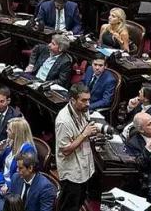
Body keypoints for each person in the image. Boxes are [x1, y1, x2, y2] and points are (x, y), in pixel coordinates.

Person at [55, 83, 96, 211]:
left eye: (88, 100)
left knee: (80, 202)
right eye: (83, 100)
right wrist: (84, 134)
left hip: (84, 167)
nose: (88, 104)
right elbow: (65, 150)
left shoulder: (83, 109)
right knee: (69, 207)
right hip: (72, 173)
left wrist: (90, 133)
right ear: (73, 100)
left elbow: (85, 129)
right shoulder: (63, 121)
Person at [0, 119, 37, 191]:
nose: (6, 131)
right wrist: (1, 151)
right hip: (3, 176)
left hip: (12, 184)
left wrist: (8, 185)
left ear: (17, 133)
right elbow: (2, 164)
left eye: (9, 129)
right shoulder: (12, 142)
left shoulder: (27, 149)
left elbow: (24, 175)